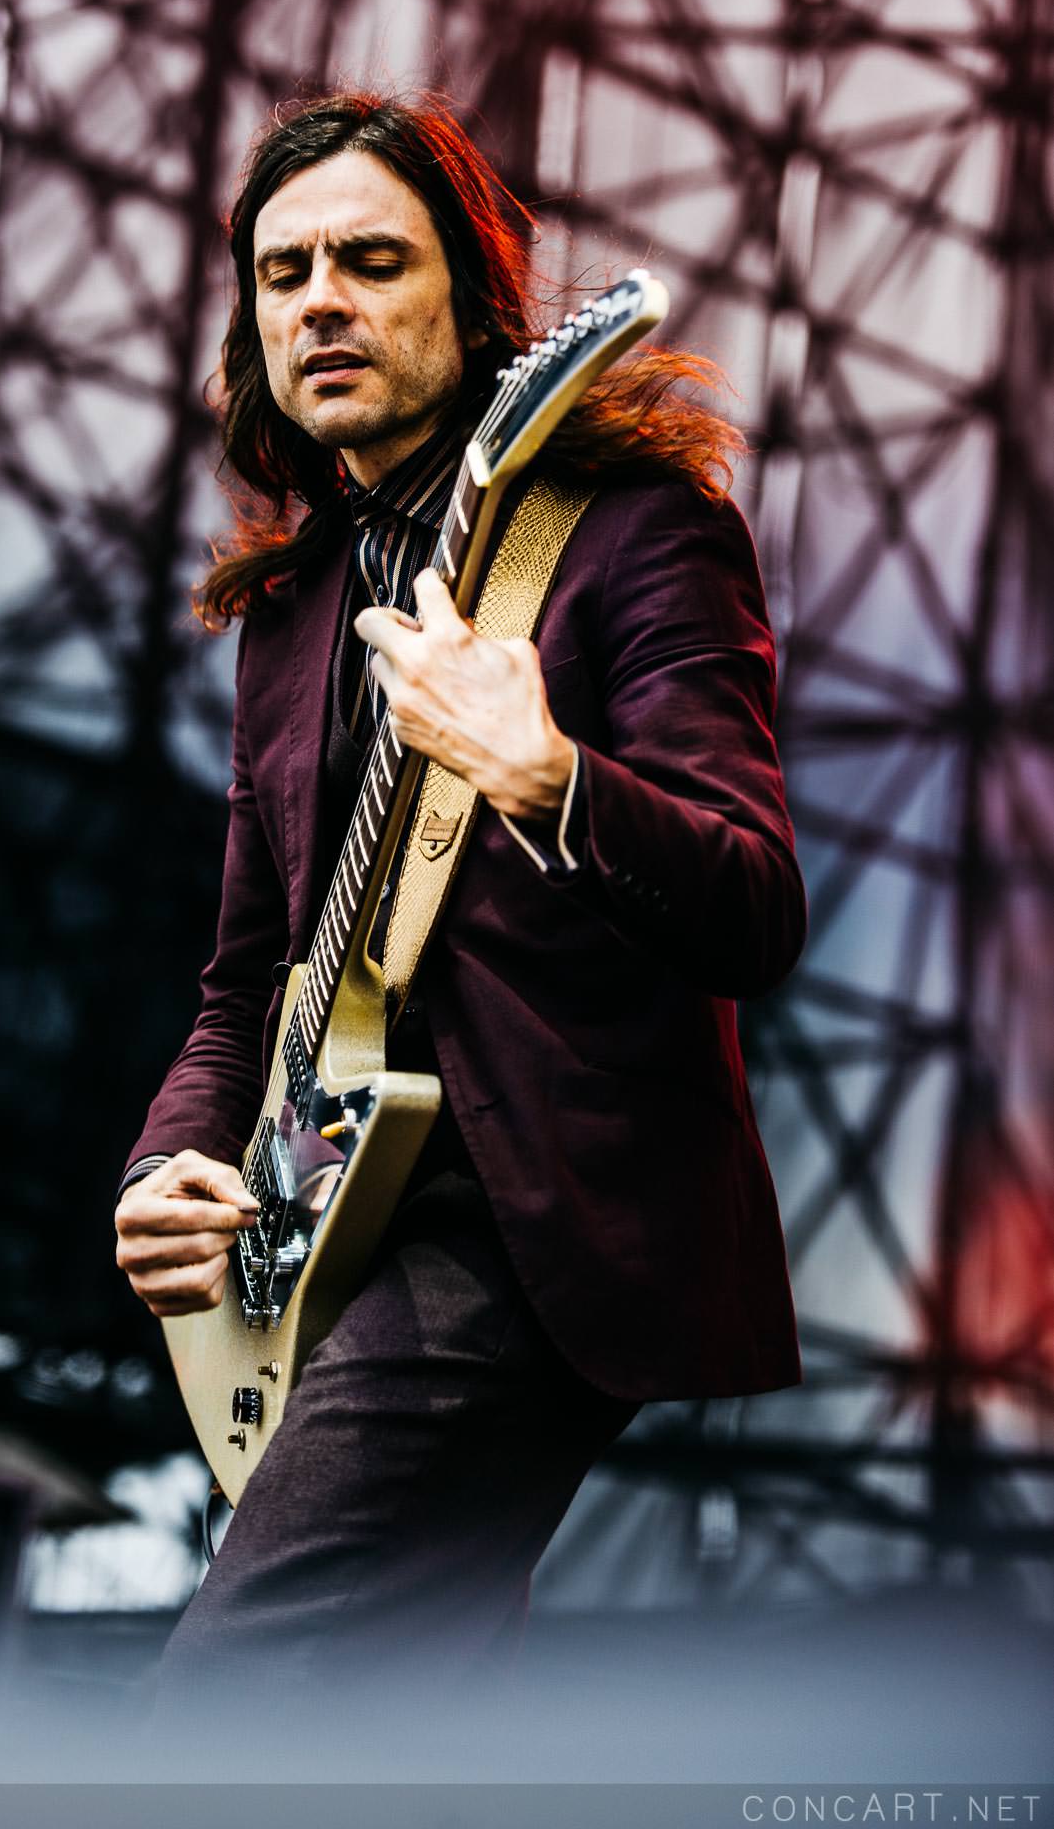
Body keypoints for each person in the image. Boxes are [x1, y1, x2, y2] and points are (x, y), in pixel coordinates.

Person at [113, 92, 806, 1700]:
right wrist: (170, 1163)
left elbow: (750, 900)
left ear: (474, 304)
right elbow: (249, 979)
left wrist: (549, 773)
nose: (320, 302)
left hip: (519, 1224)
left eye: (369, 259)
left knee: (218, 1709)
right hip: (326, 1227)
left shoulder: (633, 534)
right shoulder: (291, 611)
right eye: (282, 274)